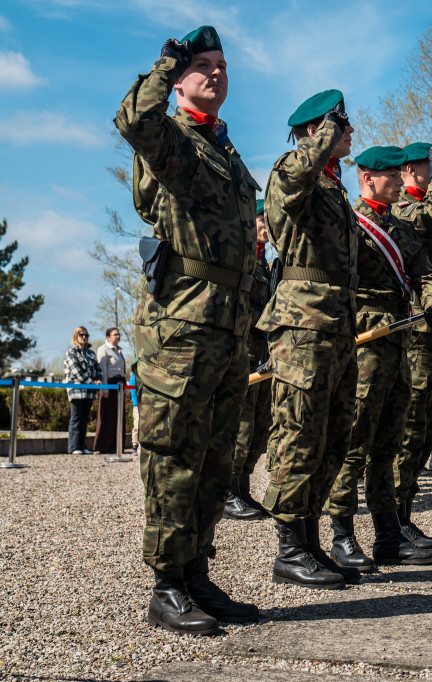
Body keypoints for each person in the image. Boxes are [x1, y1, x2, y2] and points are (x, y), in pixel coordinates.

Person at [115, 25, 259, 634]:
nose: (216, 73)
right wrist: (166, 60)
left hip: (227, 324)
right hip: (183, 324)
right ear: (178, 80)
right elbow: (130, 119)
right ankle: (166, 584)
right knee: (175, 455)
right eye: (203, 65)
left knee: (214, 459)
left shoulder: (225, 147)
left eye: (222, 64)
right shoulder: (169, 137)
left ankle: (197, 573)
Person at [253, 90, 364, 589]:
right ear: (313, 130)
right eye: (340, 123)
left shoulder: (335, 188)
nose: (349, 131)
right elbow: (293, 182)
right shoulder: (289, 170)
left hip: (338, 323)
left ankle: (311, 540)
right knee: (299, 434)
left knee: (334, 436)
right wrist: (320, 137)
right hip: (302, 324)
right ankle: (290, 548)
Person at [327, 145, 432, 571]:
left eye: (401, 176)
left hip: (400, 340)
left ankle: (388, 537)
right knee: (355, 443)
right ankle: (341, 535)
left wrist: (430, 302)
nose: (400, 183)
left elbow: (425, 271)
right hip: (365, 341)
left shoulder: (400, 227)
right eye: (392, 177)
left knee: (387, 445)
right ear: (367, 178)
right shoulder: (351, 224)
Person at [393, 142, 432, 548]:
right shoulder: (405, 210)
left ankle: (405, 516)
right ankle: (394, 520)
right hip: (415, 337)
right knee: (409, 427)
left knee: (427, 427)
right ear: (409, 170)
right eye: (428, 167)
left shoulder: (426, 203)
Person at [223, 198, 272, 523]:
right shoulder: (241, 257)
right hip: (243, 351)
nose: (267, 225)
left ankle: (242, 488)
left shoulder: (265, 264)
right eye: (261, 219)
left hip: (263, 354)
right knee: (240, 423)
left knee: (257, 427)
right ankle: (227, 492)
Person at [63, 326, 102, 455]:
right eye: (81, 335)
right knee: (76, 418)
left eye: (86, 335)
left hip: (89, 391)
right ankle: (74, 447)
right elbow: (76, 372)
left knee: (85, 419)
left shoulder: (91, 353)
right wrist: (92, 381)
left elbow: (98, 369)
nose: (84, 337)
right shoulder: (71, 352)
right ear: (76, 336)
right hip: (76, 390)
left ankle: (82, 445)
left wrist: (98, 380)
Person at [93, 327, 127, 454]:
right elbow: (103, 370)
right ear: (108, 337)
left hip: (120, 385)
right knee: (107, 417)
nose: (118, 336)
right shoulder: (104, 349)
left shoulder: (120, 351)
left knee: (118, 417)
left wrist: (124, 391)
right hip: (109, 385)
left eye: (119, 334)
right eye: (115, 335)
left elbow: (123, 371)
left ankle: (116, 446)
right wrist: (104, 388)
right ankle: (103, 446)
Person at [128, 363, 140, 456]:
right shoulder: (134, 379)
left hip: (142, 404)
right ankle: (135, 444)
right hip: (137, 405)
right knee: (137, 424)